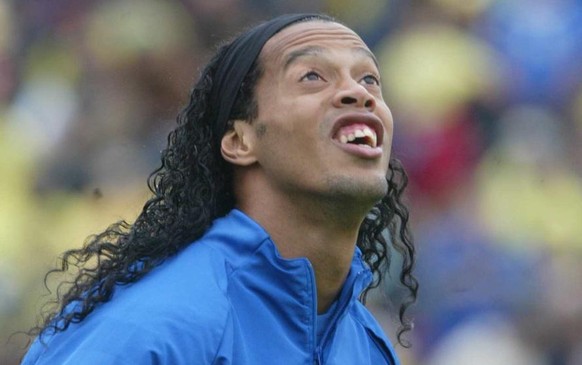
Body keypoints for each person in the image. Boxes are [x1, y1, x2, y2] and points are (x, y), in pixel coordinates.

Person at [22, 13, 417, 364]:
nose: (360, 93)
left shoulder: (367, 346)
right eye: (312, 76)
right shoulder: (155, 328)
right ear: (240, 141)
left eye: (370, 79)